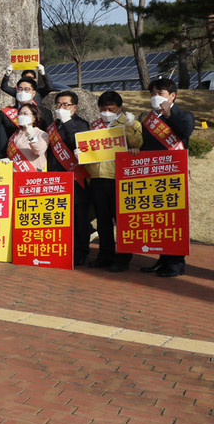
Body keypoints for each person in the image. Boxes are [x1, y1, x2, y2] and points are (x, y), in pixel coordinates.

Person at [138, 78, 193, 278]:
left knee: (175, 220)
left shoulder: (184, 115)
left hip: (174, 176)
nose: (155, 96)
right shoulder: (148, 119)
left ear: (172, 95)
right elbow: (144, 144)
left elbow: (186, 132)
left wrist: (169, 114)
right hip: (153, 175)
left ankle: (176, 263)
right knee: (158, 221)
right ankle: (162, 259)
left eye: (160, 92)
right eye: (152, 92)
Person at [84, 91, 143, 272]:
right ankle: (105, 255)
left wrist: (130, 126)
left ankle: (123, 257)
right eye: (103, 108)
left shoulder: (130, 123)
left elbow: (137, 143)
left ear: (120, 108)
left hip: (119, 179)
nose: (107, 112)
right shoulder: (95, 125)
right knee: (103, 221)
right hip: (98, 177)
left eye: (111, 108)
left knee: (122, 221)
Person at [46, 91, 93, 265]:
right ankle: (64, 249)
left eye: (65, 104)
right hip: (56, 178)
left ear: (74, 107)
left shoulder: (81, 124)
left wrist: (66, 122)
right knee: (62, 218)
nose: (61, 108)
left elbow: (79, 144)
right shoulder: (52, 126)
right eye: (58, 104)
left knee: (79, 218)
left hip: (75, 178)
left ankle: (80, 252)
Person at [3, 103, 49, 171]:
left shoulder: (41, 134)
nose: (22, 116)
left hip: (32, 173)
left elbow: (38, 151)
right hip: (15, 173)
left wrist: (31, 136)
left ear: (34, 118)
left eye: (25, 114)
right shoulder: (15, 134)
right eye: (20, 114)